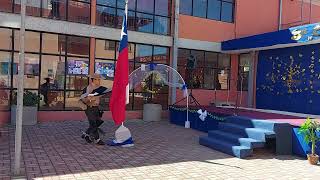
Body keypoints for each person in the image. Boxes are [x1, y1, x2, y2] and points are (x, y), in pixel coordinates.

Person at [80, 74, 107, 145]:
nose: (99, 81)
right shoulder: (88, 88)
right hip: (89, 108)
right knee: (93, 124)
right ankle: (97, 140)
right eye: (97, 79)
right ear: (93, 80)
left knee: (97, 122)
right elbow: (83, 99)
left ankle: (86, 134)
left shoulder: (99, 88)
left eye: (99, 79)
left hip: (96, 108)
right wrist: (89, 98)